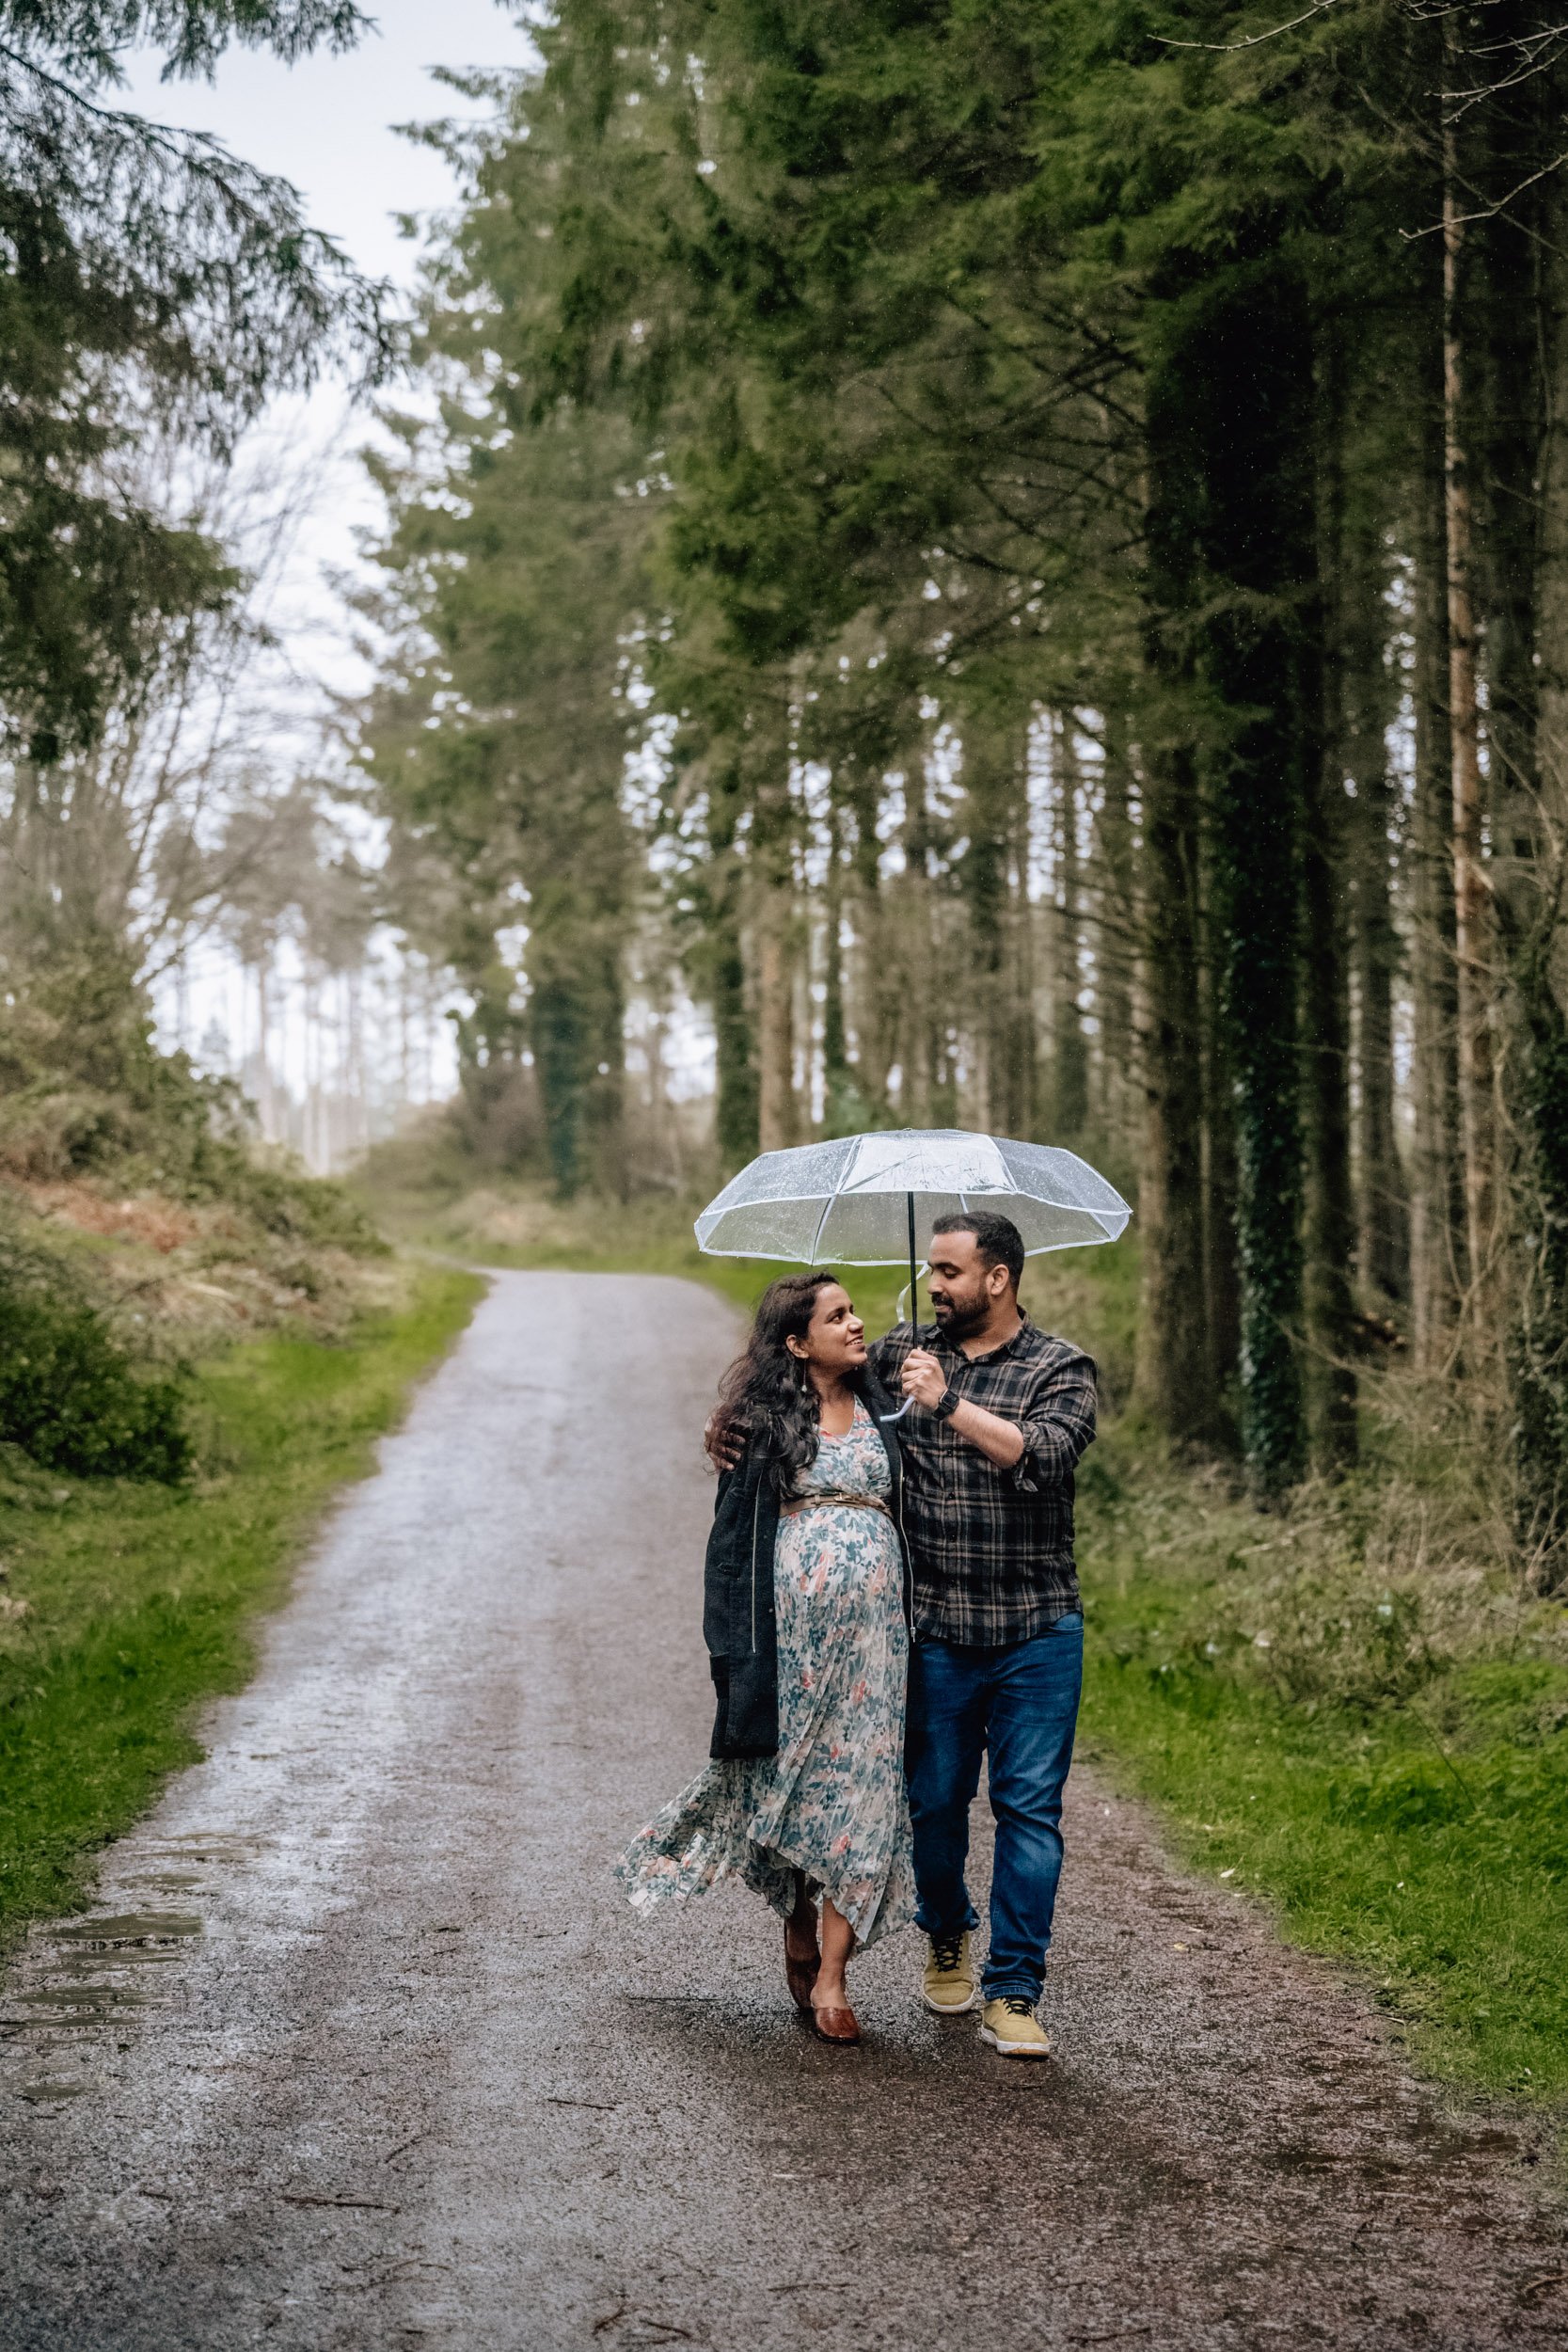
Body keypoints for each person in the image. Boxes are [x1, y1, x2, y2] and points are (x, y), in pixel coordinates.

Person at [616, 1270, 914, 2044]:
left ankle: (834, 1978)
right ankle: (796, 1913)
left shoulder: (884, 1396)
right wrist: (736, 1650)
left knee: (867, 1792)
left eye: (856, 1313)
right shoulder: (762, 1424)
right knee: (790, 1781)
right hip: (796, 1648)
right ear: (794, 1341)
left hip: (878, 1647)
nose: (857, 1326)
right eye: (838, 1317)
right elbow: (728, 1547)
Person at [867, 1210, 1096, 2060]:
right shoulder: (902, 1354)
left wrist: (946, 1400)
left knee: (1028, 1810)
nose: (934, 1285)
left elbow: (1040, 1458)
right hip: (936, 1631)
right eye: (931, 1269)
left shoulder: (1060, 1368)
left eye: (950, 1272)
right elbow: (813, 1375)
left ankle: (1013, 1990)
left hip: (1038, 1630)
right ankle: (946, 1928)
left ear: (997, 1278)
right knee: (931, 1805)